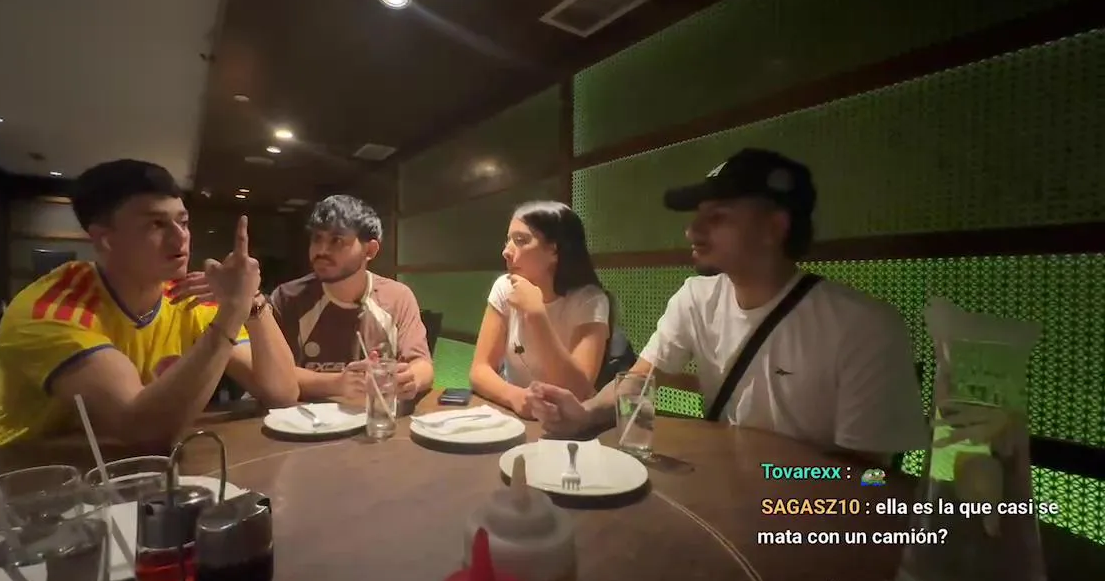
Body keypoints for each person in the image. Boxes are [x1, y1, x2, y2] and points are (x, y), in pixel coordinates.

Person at [524, 149, 926, 467]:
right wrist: (585, 413)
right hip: (724, 493)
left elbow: (872, 474)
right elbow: (638, 381)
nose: (692, 231)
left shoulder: (864, 326)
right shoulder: (697, 297)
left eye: (717, 218)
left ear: (774, 228)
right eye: (697, 217)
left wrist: (770, 479)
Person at [0, 160, 299, 449]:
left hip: (124, 469)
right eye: (156, 225)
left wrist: (252, 301)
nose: (180, 238)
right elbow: (145, 431)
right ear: (106, 239)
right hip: (21, 473)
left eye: (183, 222)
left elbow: (281, 393)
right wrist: (231, 312)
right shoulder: (51, 311)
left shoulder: (186, 296)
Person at [270, 195, 433, 402]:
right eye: (317, 239)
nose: (321, 250)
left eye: (336, 241)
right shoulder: (288, 298)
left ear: (370, 250)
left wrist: (410, 380)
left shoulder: (397, 297)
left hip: (373, 416)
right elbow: (271, 374)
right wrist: (336, 383)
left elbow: (422, 365)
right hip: (303, 417)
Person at [470, 201, 611, 416]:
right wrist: (515, 397)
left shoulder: (590, 301)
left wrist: (536, 314)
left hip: (567, 423)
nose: (506, 251)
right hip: (514, 418)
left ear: (554, 250)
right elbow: (479, 370)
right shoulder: (504, 288)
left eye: (521, 241)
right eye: (508, 240)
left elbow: (579, 392)